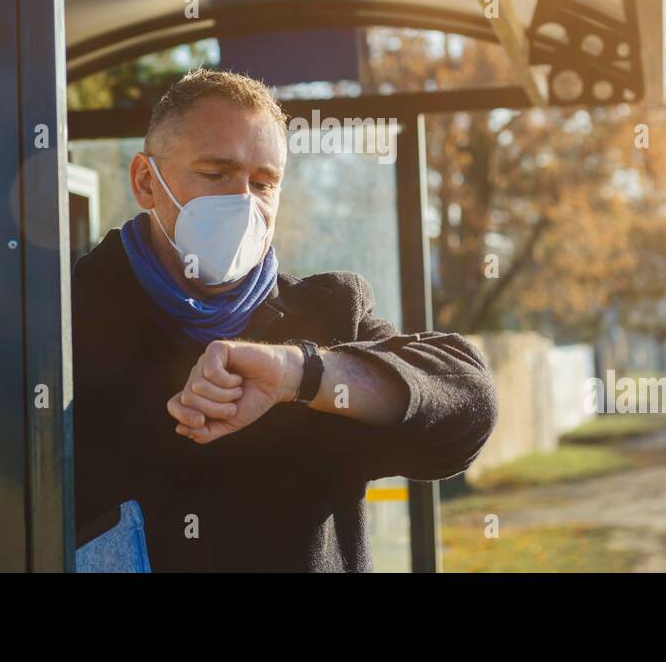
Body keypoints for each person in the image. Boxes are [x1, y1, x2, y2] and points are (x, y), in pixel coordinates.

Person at [71, 68, 499, 572]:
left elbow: (469, 404)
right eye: (215, 174)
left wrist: (301, 375)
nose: (243, 202)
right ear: (146, 181)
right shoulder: (58, 321)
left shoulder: (329, 316)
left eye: (263, 182)